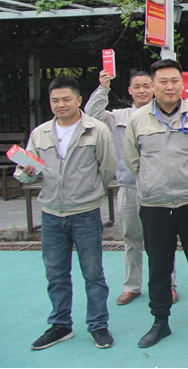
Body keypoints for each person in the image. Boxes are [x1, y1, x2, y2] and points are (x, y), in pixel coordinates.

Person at [124, 59, 188, 348]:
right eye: (163, 81)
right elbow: (133, 160)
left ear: (182, 84)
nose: (169, 86)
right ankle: (160, 321)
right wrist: (153, 183)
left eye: (174, 81)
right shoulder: (138, 119)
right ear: (153, 86)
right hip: (154, 206)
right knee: (159, 268)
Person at [15, 76, 116, 350]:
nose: (60, 104)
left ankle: (98, 325)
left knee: (93, 273)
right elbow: (27, 172)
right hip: (51, 214)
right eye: (55, 100)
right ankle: (60, 325)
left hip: (85, 214)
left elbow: (107, 168)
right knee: (56, 274)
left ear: (79, 100)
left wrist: (90, 193)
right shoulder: (40, 134)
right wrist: (26, 172)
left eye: (66, 99)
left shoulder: (96, 130)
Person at [85, 70, 178, 306]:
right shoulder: (118, 117)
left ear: (154, 88)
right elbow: (91, 115)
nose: (142, 90)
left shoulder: (164, 115)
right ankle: (132, 286)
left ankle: (168, 284)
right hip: (128, 186)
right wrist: (103, 88)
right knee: (131, 239)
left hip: (158, 188)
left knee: (162, 240)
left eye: (147, 86)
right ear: (130, 90)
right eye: (137, 86)